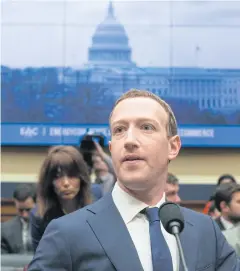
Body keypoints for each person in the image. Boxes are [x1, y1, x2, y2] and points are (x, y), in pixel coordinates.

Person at [28, 89, 239, 271]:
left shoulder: (205, 231)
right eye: (119, 130)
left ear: (173, 147)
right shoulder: (66, 233)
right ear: (111, 149)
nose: (129, 140)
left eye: (146, 127)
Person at [30, 145, 92, 252]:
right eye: (58, 176)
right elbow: (41, 262)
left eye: (72, 175)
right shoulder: (39, 216)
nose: (66, 183)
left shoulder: (97, 206)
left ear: (82, 178)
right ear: (49, 181)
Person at [1, 184, 36, 254]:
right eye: (20, 210)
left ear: (37, 204)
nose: (25, 215)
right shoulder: (4, 230)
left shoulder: (48, 227)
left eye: (28, 209)